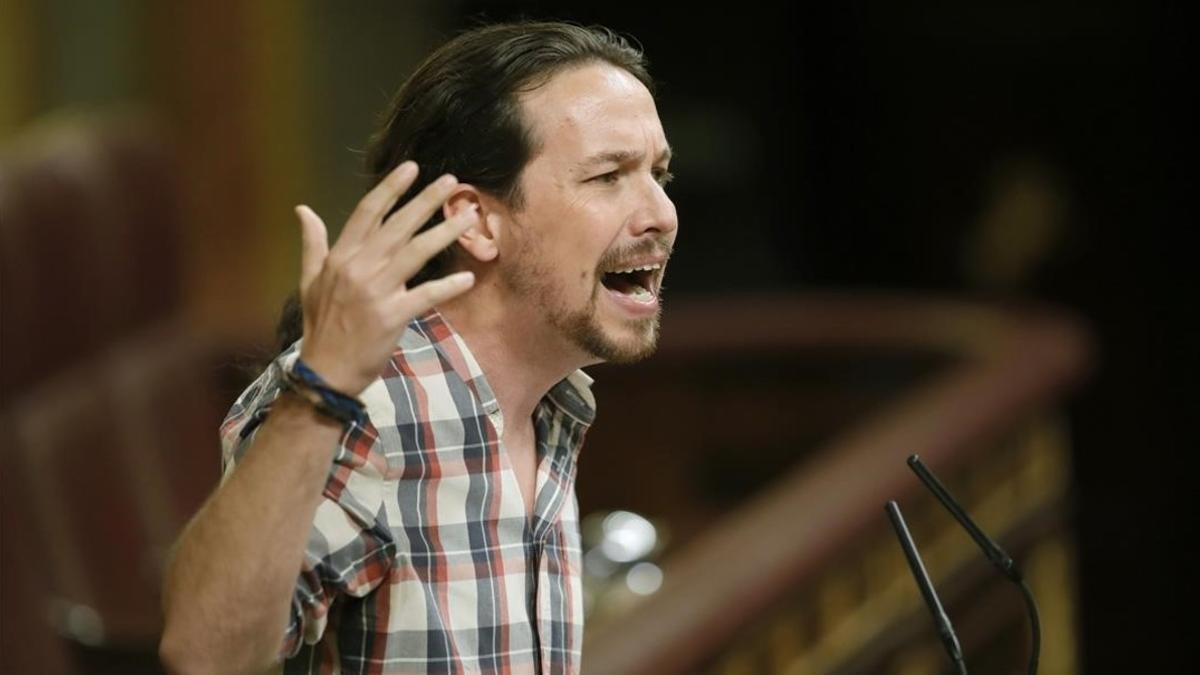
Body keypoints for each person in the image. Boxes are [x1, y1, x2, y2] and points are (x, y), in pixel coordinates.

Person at [159, 20, 678, 674]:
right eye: (608, 177)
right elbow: (203, 653)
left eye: (658, 173)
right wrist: (319, 392)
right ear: (475, 219)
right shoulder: (361, 404)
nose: (660, 212)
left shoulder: (554, 402)